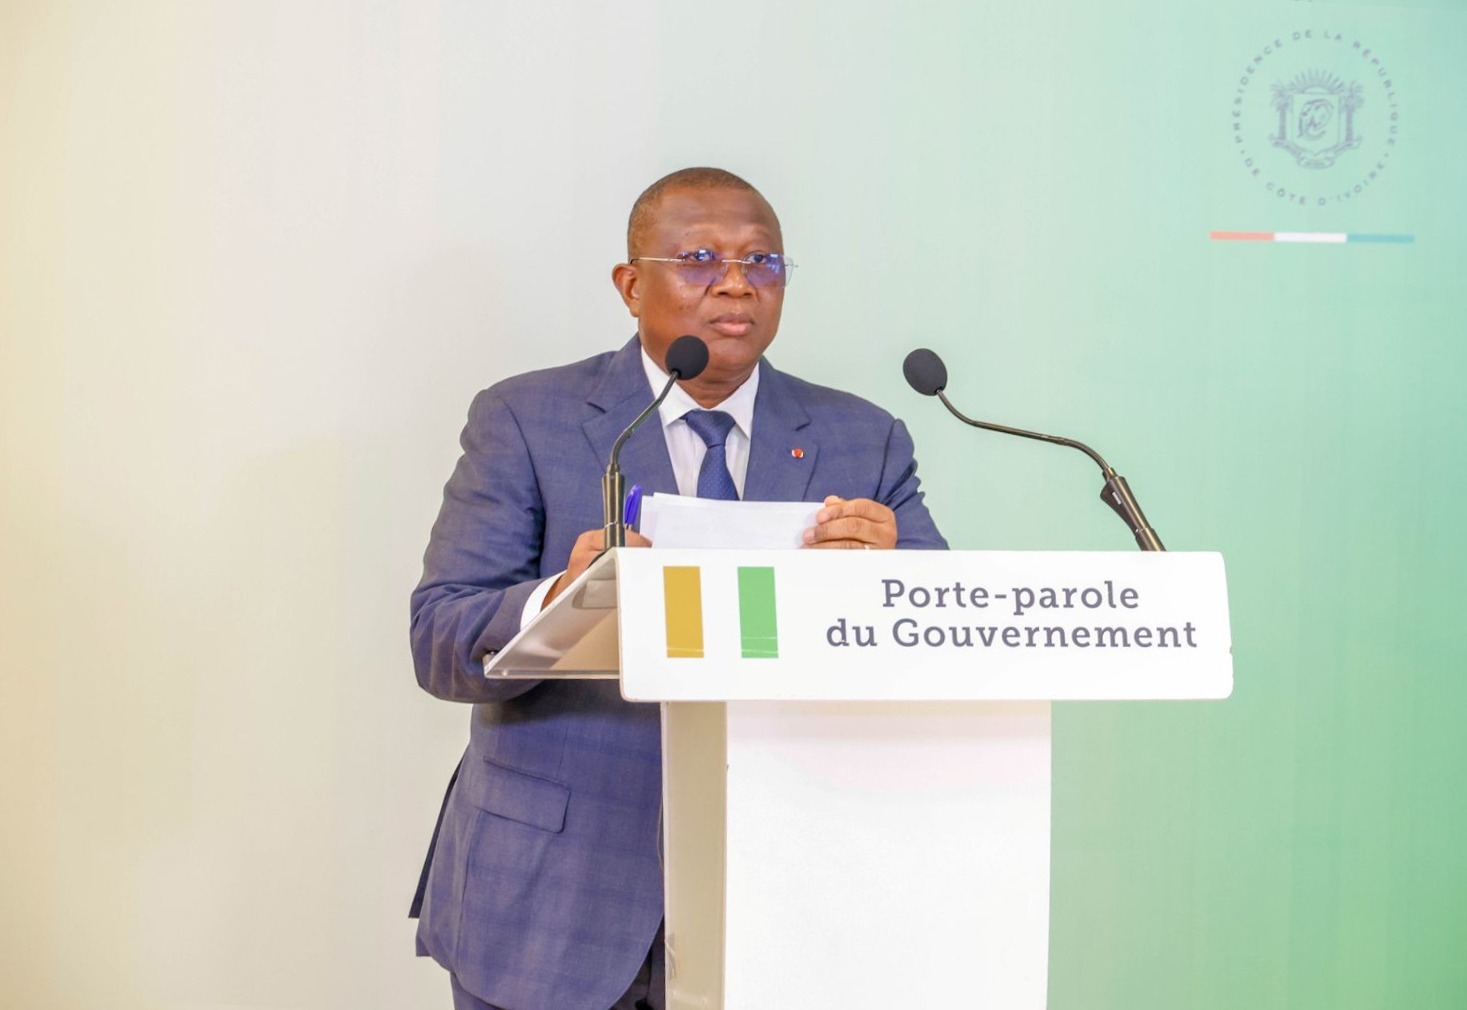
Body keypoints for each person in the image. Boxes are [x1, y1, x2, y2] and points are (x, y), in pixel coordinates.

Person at [410, 167, 947, 1010]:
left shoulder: (863, 438)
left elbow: (938, 644)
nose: (735, 283)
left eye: (762, 261)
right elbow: (441, 642)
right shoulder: (526, 418)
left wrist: (887, 584)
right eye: (699, 258)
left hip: (783, 889)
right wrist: (562, 598)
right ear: (631, 285)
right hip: (557, 893)